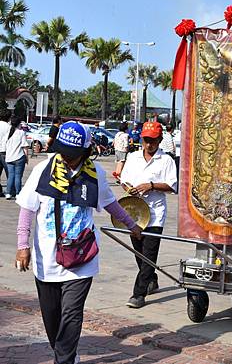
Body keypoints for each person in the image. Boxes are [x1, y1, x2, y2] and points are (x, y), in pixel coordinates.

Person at [14, 121, 142, 364]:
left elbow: (110, 203)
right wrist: (22, 246)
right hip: (47, 260)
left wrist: (132, 225)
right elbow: (26, 210)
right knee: (52, 317)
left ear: (85, 152)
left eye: (72, 155)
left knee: (71, 313)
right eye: (62, 152)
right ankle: (63, 353)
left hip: (83, 257)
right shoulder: (43, 171)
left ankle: (64, 359)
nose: (65, 158)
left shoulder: (96, 176)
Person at [120, 121, 177, 308]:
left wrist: (151, 185)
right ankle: (150, 278)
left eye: (153, 140)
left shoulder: (166, 160)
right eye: (146, 140)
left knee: (149, 254)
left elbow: (172, 186)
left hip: (155, 213)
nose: (149, 144)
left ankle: (138, 294)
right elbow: (124, 181)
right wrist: (129, 188)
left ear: (160, 140)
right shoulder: (133, 157)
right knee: (139, 252)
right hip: (135, 212)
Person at [3, 116, 29, 199]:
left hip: (9, 157)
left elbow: (4, 146)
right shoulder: (21, 133)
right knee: (18, 176)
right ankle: (18, 193)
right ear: (19, 124)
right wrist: (27, 157)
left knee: (11, 176)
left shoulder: (7, 134)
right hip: (19, 157)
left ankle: (8, 193)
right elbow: (25, 146)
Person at [0, 111, 11, 195]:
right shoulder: (9, 127)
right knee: (9, 172)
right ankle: (10, 191)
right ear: (9, 118)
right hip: (5, 152)